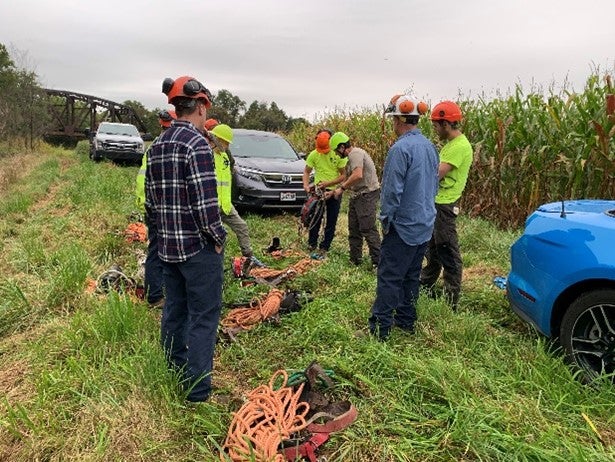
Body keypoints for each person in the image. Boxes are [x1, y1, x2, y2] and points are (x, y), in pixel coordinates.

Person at [146, 75, 226, 403]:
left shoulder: (157, 146)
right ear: (201, 105)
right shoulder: (197, 145)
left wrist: (162, 235)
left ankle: (174, 371)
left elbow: (151, 204)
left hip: (167, 248)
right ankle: (197, 391)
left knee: (174, 312)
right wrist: (218, 237)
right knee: (204, 318)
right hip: (197, 249)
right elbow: (206, 206)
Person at [368, 94, 439, 341]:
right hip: (425, 224)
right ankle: (406, 322)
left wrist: (387, 222)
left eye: (393, 119)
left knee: (389, 278)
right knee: (411, 276)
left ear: (399, 119)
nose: (392, 124)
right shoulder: (430, 147)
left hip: (403, 226)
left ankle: (380, 328)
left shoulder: (400, 149)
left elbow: (391, 192)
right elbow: (434, 186)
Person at [420, 101, 473, 310]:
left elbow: (435, 175)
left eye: (436, 125)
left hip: (445, 205)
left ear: (446, 123)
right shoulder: (450, 145)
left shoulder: (459, 146)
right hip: (438, 203)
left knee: (448, 251)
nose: (435, 129)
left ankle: (451, 301)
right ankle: (424, 285)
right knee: (433, 250)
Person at [135, 109, 176, 309]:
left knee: (157, 250)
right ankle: (155, 295)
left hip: (152, 207)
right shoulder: (169, 148)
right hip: (162, 210)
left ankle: (157, 291)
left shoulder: (154, 147)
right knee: (159, 252)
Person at [207, 123, 255, 274]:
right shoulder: (204, 156)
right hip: (210, 207)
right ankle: (214, 269)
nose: (227, 146)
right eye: (225, 142)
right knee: (217, 239)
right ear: (216, 139)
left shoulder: (224, 158)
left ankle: (249, 258)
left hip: (225, 205)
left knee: (242, 226)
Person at [330, 132, 381, 267]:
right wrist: (332, 191)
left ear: (342, 147)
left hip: (366, 194)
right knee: (354, 229)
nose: (336, 154)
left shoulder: (355, 154)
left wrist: (341, 189)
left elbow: (358, 175)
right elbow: (349, 178)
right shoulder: (351, 157)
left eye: (336, 150)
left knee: (368, 228)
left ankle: (379, 262)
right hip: (357, 195)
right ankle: (355, 260)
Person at [302, 129, 348, 258]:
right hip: (318, 191)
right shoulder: (314, 154)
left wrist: (328, 184)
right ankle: (312, 244)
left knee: (331, 221)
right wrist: (306, 185)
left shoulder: (338, 155)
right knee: (315, 218)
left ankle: (325, 246)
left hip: (334, 192)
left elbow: (343, 176)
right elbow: (306, 171)